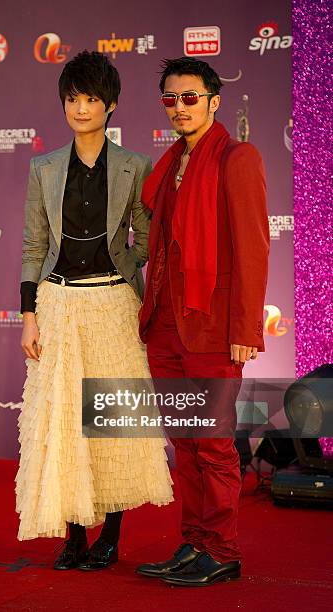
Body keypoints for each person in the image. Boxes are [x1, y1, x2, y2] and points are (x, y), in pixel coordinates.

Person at [15, 50, 173, 572]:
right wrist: (29, 314)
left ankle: (111, 537)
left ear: (111, 106)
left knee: (111, 421)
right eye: (72, 99)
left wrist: (125, 264)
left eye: (91, 100)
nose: (81, 109)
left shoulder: (135, 166)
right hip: (58, 304)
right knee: (66, 425)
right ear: (63, 104)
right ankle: (73, 535)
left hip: (113, 305)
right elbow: (33, 245)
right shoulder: (43, 167)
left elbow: (148, 238)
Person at [136, 57, 269, 586]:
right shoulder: (169, 163)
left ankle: (223, 549)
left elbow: (253, 250)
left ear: (214, 102)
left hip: (213, 328)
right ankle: (193, 542)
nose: (179, 108)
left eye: (190, 97)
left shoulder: (237, 157)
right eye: (170, 99)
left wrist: (245, 330)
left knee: (212, 443)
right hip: (167, 324)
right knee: (184, 442)